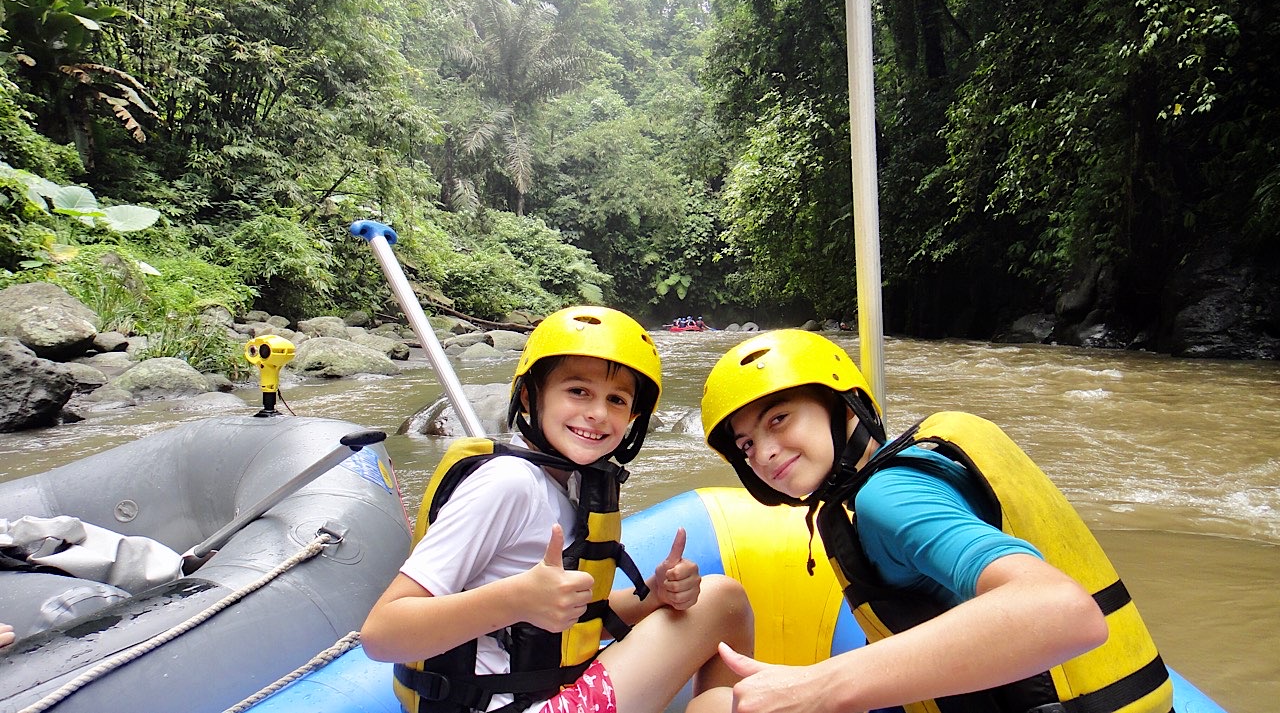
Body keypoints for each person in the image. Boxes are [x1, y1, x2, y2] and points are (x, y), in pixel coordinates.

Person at [699, 329, 1172, 713]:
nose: (763, 452)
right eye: (745, 445)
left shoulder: (887, 498)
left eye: (778, 419)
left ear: (843, 409)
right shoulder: (907, 471)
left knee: (715, 707)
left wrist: (818, 686)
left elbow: (1065, 612)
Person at [363, 305, 753, 713]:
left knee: (721, 627)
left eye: (616, 400)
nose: (599, 413)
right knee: (724, 601)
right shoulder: (507, 483)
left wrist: (653, 596)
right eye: (578, 391)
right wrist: (517, 599)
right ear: (531, 396)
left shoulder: (570, 486)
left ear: (633, 418)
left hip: (541, 692)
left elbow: (571, 625)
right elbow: (382, 634)